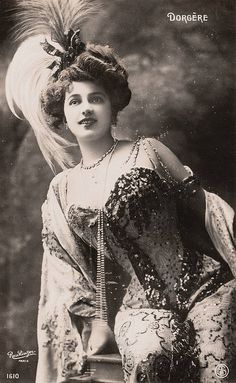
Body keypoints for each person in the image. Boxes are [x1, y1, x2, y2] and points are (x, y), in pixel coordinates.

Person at [5, 1, 236, 382]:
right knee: (148, 355)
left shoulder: (149, 152)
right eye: (74, 101)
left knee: (218, 365)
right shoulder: (61, 191)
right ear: (62, 115)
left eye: (95, 98)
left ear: (112, 105)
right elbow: (61, 278)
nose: (85, 109)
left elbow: (209, 209)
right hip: (141, 308)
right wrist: (85, 332)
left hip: (206, 287)